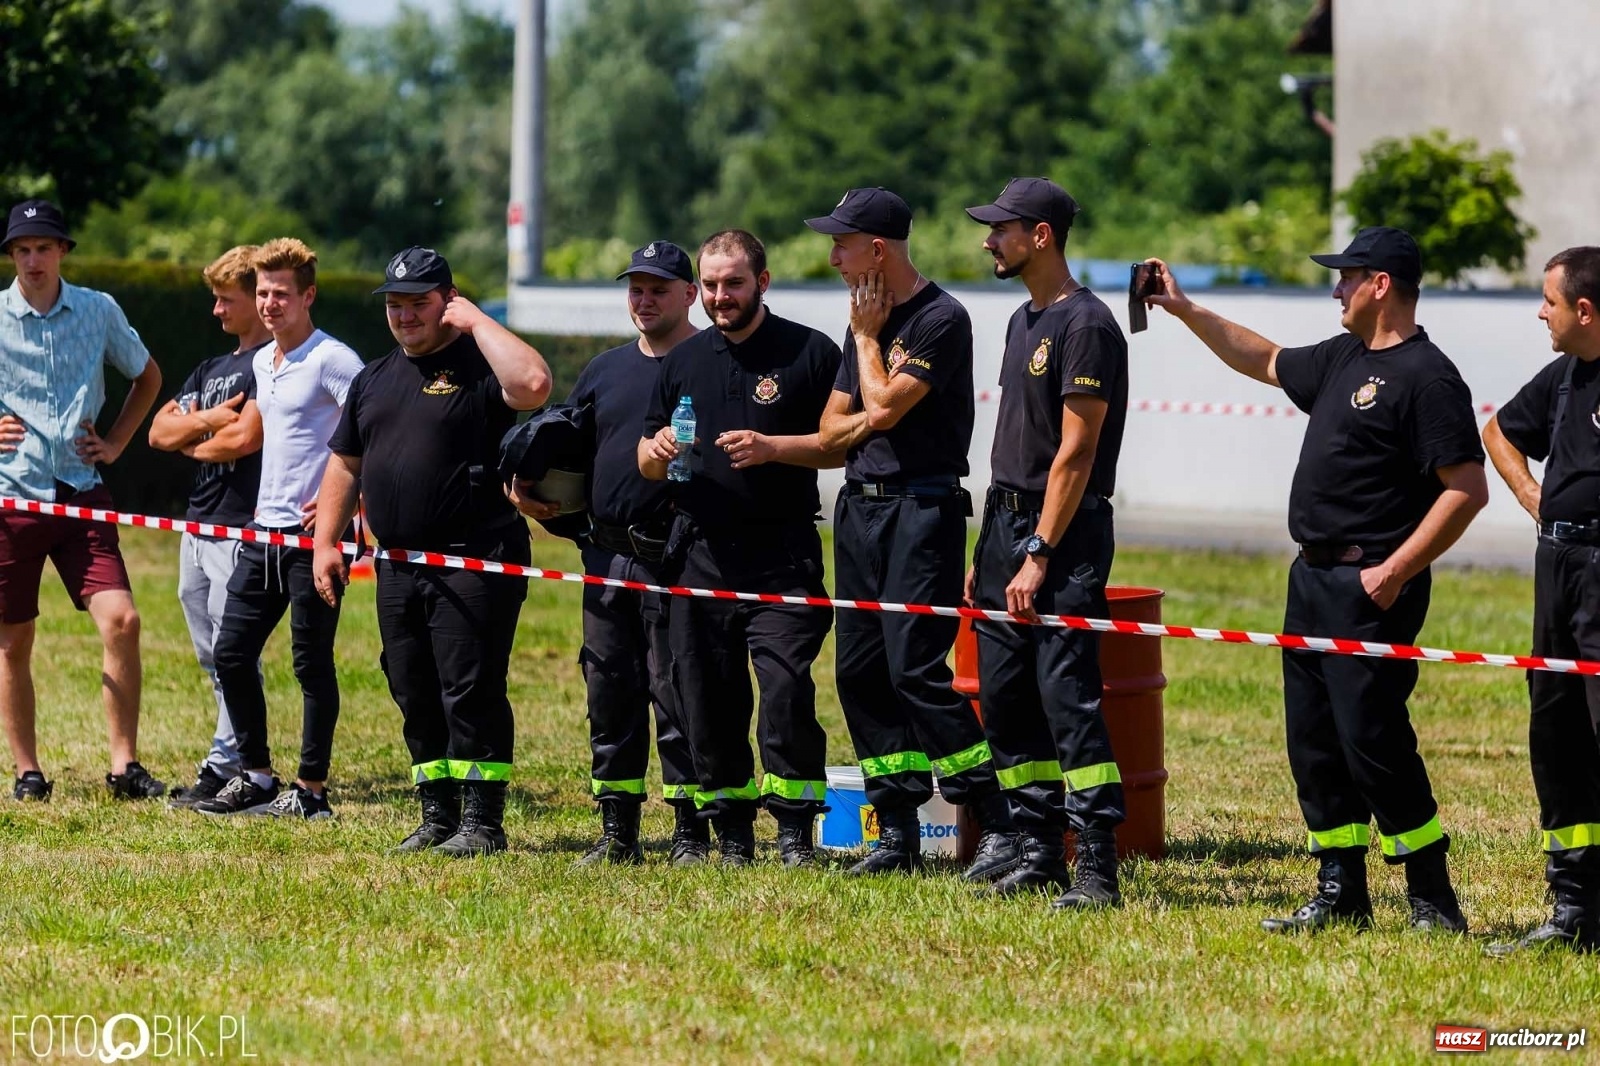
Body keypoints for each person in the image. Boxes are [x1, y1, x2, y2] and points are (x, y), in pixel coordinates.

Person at [1144, 226, 1488, 934]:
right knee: (1315, 741)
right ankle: (1341, 892)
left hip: (1371, 585)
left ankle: (1431, 895)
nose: (1336, 287)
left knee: (1372, 739)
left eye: (1346, 276)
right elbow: (1265, 358)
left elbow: (1466, 489)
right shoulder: (1342, 358)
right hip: (1312, 580)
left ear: (1381, 284)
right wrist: (1185, 309)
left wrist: (1395, 571)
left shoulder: (1430, 377)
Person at [312, 247, 550, 856]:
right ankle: (437, 814)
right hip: (396, 565)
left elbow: (533, 384)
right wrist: (325, 544)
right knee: (412, 687)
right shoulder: (374, 378)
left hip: (475, 558)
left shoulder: (480, 365)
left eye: (419, 302)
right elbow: (345, 462)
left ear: (448, 300)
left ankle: (482, 822)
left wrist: (477, 323)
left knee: (468, 687)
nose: (405, 315)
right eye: (395, 304)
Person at [810, 188, 1017, 879]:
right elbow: (831, 433)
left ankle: (995, 822)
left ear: (879, 249)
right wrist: (871, 399)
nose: (833, 255)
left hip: (919, 510)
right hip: (859, 511)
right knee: (860, 672)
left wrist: (870, 345)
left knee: (915, 671)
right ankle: (895, 831)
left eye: (843, 243)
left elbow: (883, 409)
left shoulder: (939, 318)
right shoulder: (861, 320)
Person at [638, 229, 843, 867]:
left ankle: (793, 832)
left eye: (734, 283)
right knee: (706, 694)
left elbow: (839, 445)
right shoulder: (683, 361)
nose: (720, 296)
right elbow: (645, 457)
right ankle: (729, 832)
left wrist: (773, 447)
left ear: (763, 282)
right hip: (698, 551)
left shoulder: (810, 352)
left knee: (784, 690)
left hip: (782, 552)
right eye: (710, 284)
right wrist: (657, 453)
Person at [960, 178, 1129, 907]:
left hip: (1060, 531)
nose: (987, 240)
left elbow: (1075, 454)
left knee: (1068, 698)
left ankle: (1096, 867)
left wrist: (1037, 552)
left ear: (1041, 236)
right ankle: (1038, 851)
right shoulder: (1022, 320)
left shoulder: (1085, 325)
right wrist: (990, 554)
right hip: (1004, 523)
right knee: (1006, 699)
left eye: (1000, 229)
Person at [509, 241, 704, 865]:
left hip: (678, 560)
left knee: (678, 691)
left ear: (688, 294)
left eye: (658, 289)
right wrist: (532, 487)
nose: (643, 300)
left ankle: (690, 832)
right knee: (609, 690)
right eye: (635, 289)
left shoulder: (709, 364)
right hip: (606, 558)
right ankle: (617, 831)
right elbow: (569, 444)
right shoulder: (604, 369)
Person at [0, 199, 165, 802]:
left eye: (44, 247)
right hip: (10, 500)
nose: (34, 259)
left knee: (123, 621)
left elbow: (147, 375)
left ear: (63, 251)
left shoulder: (98, 310)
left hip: (82, 494)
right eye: (23, 249)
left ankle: (124, 768)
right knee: (12, 641)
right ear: (12, 256)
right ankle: (28, 772)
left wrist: (117, 441)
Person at [194, 238, 363, 820]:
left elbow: (375, 429)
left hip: (312, 542)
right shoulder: (265, 362)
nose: (269, 304)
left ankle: (312, 792)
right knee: (231, 652)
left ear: (307, 296)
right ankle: (259, 776)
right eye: (262, 293)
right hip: (261, 534)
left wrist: (348, 508)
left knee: (311, 663)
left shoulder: (332, 359)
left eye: (281, 294)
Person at [1482, 246, 1600, 954]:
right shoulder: (1563, 378)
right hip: (1557, 567)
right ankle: (1574, 910)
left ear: (1584, 309)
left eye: (1549, 302)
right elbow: (1496, 432)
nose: (1540, 313)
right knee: (1556, 736)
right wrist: (1537, 499)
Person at [148, 245, 269, 807]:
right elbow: (157, 434)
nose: (217, 312)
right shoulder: (211, 369)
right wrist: (206, 423)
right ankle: (237, 754)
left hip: (241, 527)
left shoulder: (270, 364)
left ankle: (227, 765)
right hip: (197, 527)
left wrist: (193, 437)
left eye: (227, 300)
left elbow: (245, 438)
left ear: (256, 300)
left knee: (232, 651)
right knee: (208, 653)